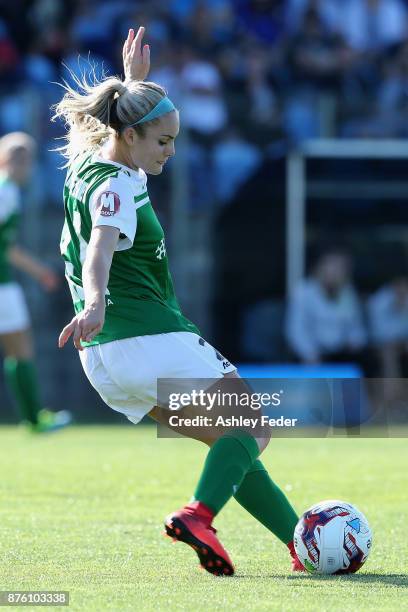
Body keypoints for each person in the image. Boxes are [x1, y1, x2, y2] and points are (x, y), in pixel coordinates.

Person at [56, 27, 303, 576]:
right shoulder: (117, 185)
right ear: (132, 137)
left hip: (105, 361)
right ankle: (197, 514)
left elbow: (118, 136)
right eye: (162, 141)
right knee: (253, 429)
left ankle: (299, 543)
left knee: (228, 445)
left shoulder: (92, 161)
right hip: (148, 335)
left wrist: (135, 82)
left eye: (174, 140)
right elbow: (100, 246)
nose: (170, 150)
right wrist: (94, 301)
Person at [0, 132, 71, 432]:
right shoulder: (6, 192)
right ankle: (34, 419)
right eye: (20, 158)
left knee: (17, 349)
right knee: (21, 349)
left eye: (27, 159)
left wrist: (38, 271)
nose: (25, 165)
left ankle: (33, 418)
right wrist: (40, 271)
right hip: (2, 286)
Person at [286, 249, 369, 369]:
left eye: (340, 268)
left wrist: (356, 341)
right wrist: (309, 354)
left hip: (340, 354)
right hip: (310, 355)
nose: (334, 272)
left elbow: (356, 328)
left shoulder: (348, 293)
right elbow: (296, 331)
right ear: (319, 268)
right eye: (331, 266)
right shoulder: (303, 292)